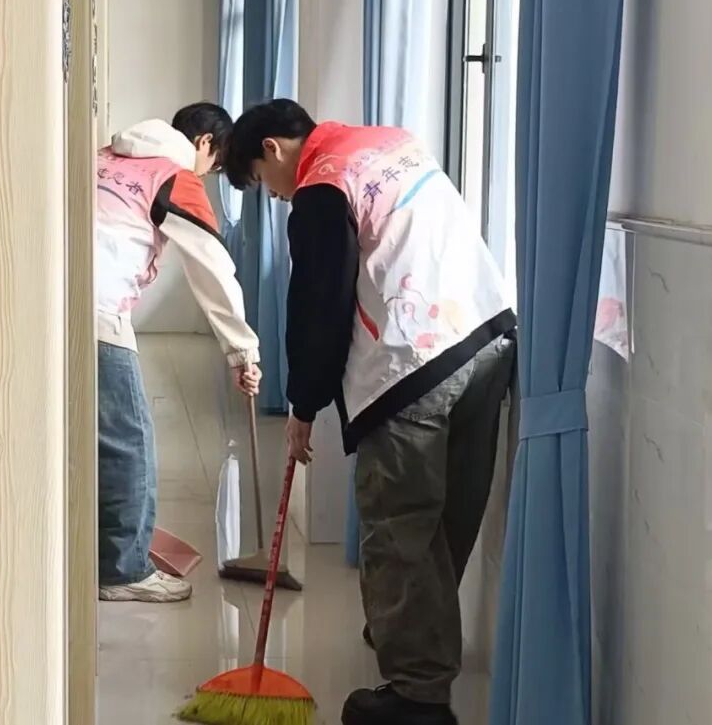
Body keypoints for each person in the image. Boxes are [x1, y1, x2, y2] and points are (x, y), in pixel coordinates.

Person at [224, 99, 516, 725]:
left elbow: (319, 305)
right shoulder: (391, 142)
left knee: (399, 528)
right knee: (450, 512)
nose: (276, 196)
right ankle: (410, 633)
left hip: (411, 366)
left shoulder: (321, 186)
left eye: (264, 183)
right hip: (486, 337)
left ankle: (417, 696)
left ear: (272, 148)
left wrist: (304, 403)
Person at [96, 102, 261, 603]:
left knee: (86, 438)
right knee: (128, 443)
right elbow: (212, 268)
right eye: (215, 163)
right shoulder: (176, 176)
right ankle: (122, 572)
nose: (207, 173)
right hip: (97, 311)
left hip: (41, 310)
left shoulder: (101, 156)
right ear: (205, 143)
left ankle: (98, 548)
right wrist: (243, 351)